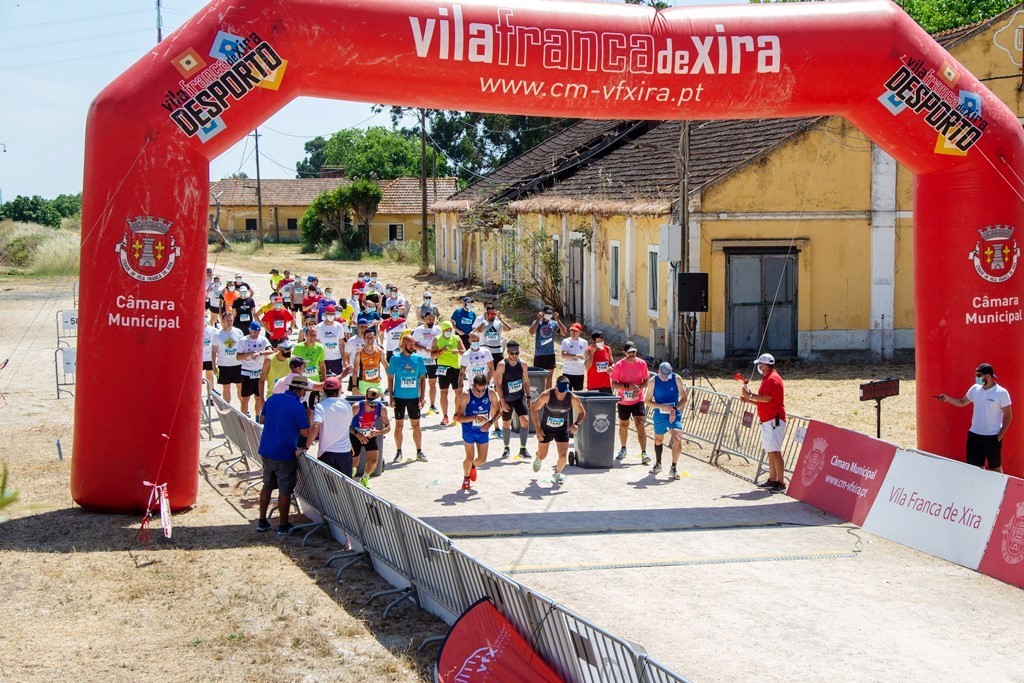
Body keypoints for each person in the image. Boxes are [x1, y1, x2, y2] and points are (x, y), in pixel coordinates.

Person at [257, 375, 310, 534]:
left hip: (266, 449)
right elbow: (305, 432)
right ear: (301, 390)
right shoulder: (297, 406)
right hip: (284, 453)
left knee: (267, 485)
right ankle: (283, 525)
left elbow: (262, 419)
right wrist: (307, 416)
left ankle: (262, 521)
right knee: (285, 490)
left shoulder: (273, 399)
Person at [938, 362, 1012, 473]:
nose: (976, 378)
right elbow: (962, 402)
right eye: (976, 375)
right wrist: (948, 399)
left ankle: (1001, 490)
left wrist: (999, 437)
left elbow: (1008, 416)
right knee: (974, 468)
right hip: (974, 436)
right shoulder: (975, 389)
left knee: (995, 468)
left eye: (979, 375)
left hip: (992, 437)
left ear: (988, 376)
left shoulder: (1001, 393)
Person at [740, 353, 787, 492]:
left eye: (760, 364)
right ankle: (773, 479)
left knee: (776, 452)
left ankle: (781, 482)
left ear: (765, 365)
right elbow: (764, 402)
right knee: (770, 451)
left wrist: (751, 396)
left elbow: (766, 399)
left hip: (774, 420)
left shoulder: (773, 380)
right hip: (767, 420)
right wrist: (749, 400)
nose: (759, 367)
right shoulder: (767, 378)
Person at [530, 375, 586, 486]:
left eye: (564, 392)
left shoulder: (573, 398)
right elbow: (533, 409)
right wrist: (538, 429)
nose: (562, 395)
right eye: (560, 392)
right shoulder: (546, 395)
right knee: (542, 455)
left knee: (563, 456)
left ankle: (557, 474)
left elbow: (582, 412)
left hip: (562, 430)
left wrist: (576, 424)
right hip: (546, 429)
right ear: (555, 387)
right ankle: (538, 457)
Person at [388, 331, 429, 463]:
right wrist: (391, 397)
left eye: (414, 344)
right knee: (399, 425)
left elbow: (423, 379)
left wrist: (422, 397)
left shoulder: (418, 359)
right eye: (410, 344)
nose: (413, 346)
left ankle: (419, 451)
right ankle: (398, 452)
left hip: (413, 398)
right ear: (403, 344)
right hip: (399, 397)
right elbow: (390, 378)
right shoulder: (395, 359)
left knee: (416, 425)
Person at [456, 373, 501, 491]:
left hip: (483, 430)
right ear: (473, 385)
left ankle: (473, 466)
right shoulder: (466, 395)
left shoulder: (490, 393)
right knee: (469, 457)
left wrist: (490, 422)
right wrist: (475, 417)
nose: (480, 393)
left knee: (482, 460)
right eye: (478, 390)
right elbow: (458, 417)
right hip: (468, 430)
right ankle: (466, 478)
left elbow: (499, 410)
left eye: (482, 390)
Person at [644, 362, 688, 480]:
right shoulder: (653, 381)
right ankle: (658, 464)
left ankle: (674, 467)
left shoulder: (677, 378)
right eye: (663, 376)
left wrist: (674, 409)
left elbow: (684, 399)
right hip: (660, 414)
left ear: (671, 371)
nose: (665, 378)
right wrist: (661, 406)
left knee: (677, 439)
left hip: (674, 413)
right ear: (658, 371)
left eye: (667, 375)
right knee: (659, 439)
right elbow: (647, 401)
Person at [610, 343, 650, 465]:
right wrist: (628, 386)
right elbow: (613, 384)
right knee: (623, 425)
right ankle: (623, 448)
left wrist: (639, 388)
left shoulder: (642, 364)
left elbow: (646, 381)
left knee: (640, 424)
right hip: (623, 400)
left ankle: (644, 453)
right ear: (625, 353)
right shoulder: (619, 365)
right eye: (629, 353)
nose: (632, 355)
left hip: (638, 399)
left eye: (634, 353)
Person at [492, 340, 532, 459]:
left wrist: (529, 397)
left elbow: (526, 381)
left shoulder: (523, 364)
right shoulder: (501, 365)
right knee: (506, 423)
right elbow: (498, 384)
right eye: (512, 353)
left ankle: (523, 449)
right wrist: (502, 400)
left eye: (517, 353)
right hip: (507, 398)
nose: (514, 356)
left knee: (525, 420)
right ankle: (506, 447)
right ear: (507, 352)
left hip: (519, 397)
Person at [309, 376, 354, 479]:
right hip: (345, 453)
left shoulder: (320, 406)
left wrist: (306, 446)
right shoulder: (347, 405)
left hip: (326, 453)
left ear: (323, 391)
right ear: (339, 389)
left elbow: (316, 426)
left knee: (329, 489)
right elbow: (347, 425)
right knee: (345, 488)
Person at [350, 385, 391, 488]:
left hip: (371, 435)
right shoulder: (356, 407)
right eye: (370, 402)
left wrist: (378, 432)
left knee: (373, 461)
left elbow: (388, 427)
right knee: (354, 463)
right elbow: (344, 424)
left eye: (375, 403)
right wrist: (357, 433)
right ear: (365, 398)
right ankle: (350, 476)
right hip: (355, 435)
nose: (373, 405)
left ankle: (365, 477)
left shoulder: (381, 408)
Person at [432, 321, 465, 426]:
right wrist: (441, 350)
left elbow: (465, 351)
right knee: (444, 393)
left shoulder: (456, 338)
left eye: (450, 330)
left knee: (459, 393)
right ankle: (445, 416)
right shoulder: (437, 339)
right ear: (442, 330)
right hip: (443, 368)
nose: (449, 332)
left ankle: (457, 414)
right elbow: (433, 356)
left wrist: (458, 351)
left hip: (455, 368)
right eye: (447, 330)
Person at [529, 304, 567, 390]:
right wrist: (538, 319)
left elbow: (564, 333)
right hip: (539, 354)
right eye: (547, 313)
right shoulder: (537, 322)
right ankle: (539, 395)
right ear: (542, 313)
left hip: (550, 354)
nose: (549, 314)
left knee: (549, 377)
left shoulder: (554, 323)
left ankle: (547, 395)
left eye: (551, 313)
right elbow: (531, 332)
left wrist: (558, 320)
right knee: (538, 378)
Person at [238, 321, 271, 417]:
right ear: (250, 331)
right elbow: (238, 357)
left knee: (258, 397)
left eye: (258, 332)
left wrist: (260, 353)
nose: (256, 334)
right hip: (247, 373)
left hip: (259, 372)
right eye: (254, 332)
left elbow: (270, 351)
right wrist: (250, 353)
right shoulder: (243, 340)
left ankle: (257, 416)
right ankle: (243, 418)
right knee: (245, 398)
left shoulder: (263, 340)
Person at [412, 311, 442, 415]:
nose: (431, 319)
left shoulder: (438, 329)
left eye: (433, 317)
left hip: (433, 361)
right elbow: (413, 344)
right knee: (420, 383)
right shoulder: (419, 330)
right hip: (421, 361)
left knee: (432, 383)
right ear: (425, 318)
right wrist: (423, 348)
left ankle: (432, 405)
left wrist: (436, 351)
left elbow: (441, 343)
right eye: (429, 317)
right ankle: (419, 402)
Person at [211, 311, 244, 404]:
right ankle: (227, 406)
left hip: (238, 364)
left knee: (240, 386)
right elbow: (213, 352)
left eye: (231, 320)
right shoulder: (217, 335)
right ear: (222, 321)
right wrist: (214, 366)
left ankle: (243, 408)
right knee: (226, 387)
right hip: (224, 365)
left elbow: (243, 348)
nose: (229, 322)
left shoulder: (239, 332)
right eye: (227, 320)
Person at [293, 326, 327, 409]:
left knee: (313, 407)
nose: (313, 337)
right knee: (300, 407)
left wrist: (324, 382)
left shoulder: (320, 348)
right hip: (301, 382)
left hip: (314, 382)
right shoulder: (298, 347)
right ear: (306, 335)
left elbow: (322, 365)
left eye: (314, 335)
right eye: (311, 335)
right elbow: (292, 364)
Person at [474, 303, 511, 368]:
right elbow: (478, 331)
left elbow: (508, 329)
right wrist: (485, 320)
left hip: (497, 351)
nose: (493, 316)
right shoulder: (483, 323)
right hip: (486, 351)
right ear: (487, 314)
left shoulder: (498, 323)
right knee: (486, 371)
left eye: (494, 314)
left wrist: (500, 318)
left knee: (499, 371)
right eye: (491, 314)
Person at [316, 305, 347, 378]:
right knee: (324, 380)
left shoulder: (339, 326)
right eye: (329, 314)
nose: (330, 316)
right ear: (325, 314)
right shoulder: (319, 327)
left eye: (332, 314)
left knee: (338, 380)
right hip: (323, 359)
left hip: (336, 358)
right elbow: (317, 344)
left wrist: (344, 359)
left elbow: (341, 343)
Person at [356, 328, 385, 396]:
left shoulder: (380, 351)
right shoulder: (359, 353)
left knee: (382, 403)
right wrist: (354, 386)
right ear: (363, 338)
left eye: (371, 337)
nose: (370, 339)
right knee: (364, 405)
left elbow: (386, 366)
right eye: (367, 337)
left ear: (374, 337)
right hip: (364, 382)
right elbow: (355, 370)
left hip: (377, 383)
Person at [560, 323, 589, 391]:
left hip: (579, 373)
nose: (573, 332)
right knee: (566, 394)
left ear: (580, 332)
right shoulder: (566, 341)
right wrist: (576, 356)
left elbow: (586, 356)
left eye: (575, 331)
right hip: (567, 372)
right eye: (571, 330)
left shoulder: (584, 342)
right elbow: (563, 355)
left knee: (578, 395)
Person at [202, 315, 217, 387]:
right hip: (199, 359)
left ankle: (210, 394)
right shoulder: (195, 328)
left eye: (205, 316)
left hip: (209, 358)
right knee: (198, 378)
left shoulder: (212, 330)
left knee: (209, 377)